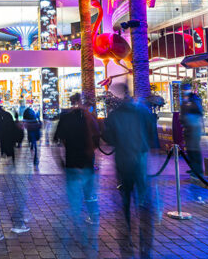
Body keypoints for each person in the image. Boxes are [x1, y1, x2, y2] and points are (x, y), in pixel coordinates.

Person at [102, 84, 158, 259]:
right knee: (143, 199)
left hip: (123, 160)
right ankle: (145, 244)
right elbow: (152, 134)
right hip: (140, 159)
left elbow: (108, 137)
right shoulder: (143, 111)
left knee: (125, 198)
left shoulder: (114, 115)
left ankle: (127, 235)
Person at [53, 93, 100, 254]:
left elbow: (57, 141)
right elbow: (98, 139)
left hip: (72, 161)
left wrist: (59, 160)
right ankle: (92, 219)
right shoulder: (90, 117)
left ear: (71, 102)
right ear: (80, 102)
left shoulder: (66, 118)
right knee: (89, 192)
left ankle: (77, 222)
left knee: (74, 196)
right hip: (87, 161)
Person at [180, 83, 204, 177]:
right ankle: (193, 168)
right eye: (183, 89)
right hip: (187, 128)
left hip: (194, 128)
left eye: (186, 89)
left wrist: (189, 117)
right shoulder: (185, 100)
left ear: (189, 89)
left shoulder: (194, 99)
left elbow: (199, 112)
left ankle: (198, 170)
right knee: (189, 149)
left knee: (194, 149)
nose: (185, 91)